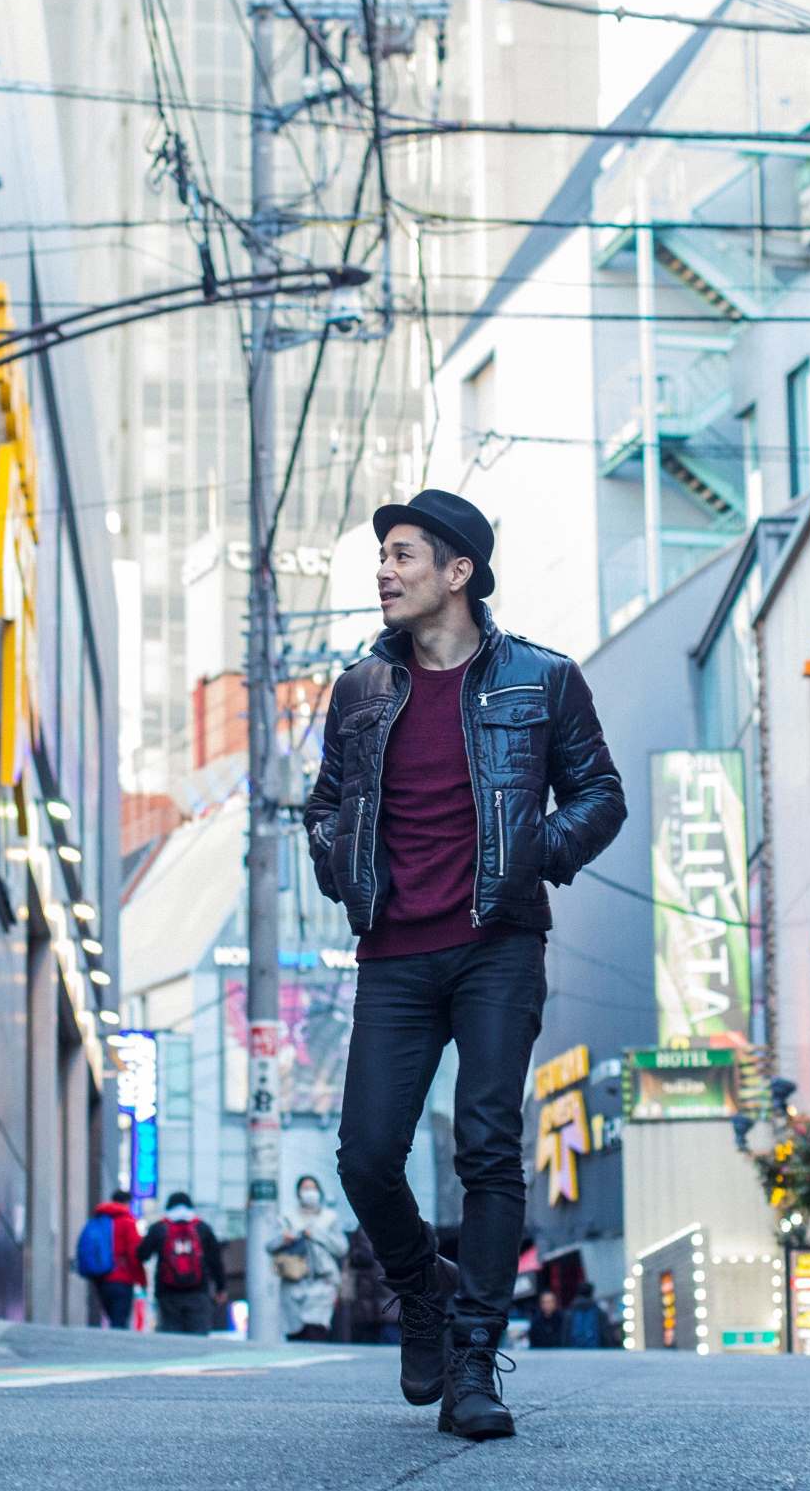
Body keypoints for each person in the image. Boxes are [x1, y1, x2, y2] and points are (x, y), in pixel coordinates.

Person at [304, 489, 626, 1442]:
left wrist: (539, 852)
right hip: (393, 952)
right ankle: (423, 1290)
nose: (385, 571)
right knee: (366, 1156)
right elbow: (325, 804)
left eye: (403, 555)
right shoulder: (361, 688)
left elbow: (600, 793)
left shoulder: (543, 678)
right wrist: (336, 860)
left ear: (459, 573)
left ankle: (476, 1358)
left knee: (487, 1146)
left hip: (498, 945)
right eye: (383, 557)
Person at [138, 1191, 227, 1334]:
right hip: (198, 1292)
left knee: (171, 1336)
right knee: (197, 1335)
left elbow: (142, 1254)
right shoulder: (202, 1228)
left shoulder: (159, 1228)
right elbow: (215, 1261)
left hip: (167, 1293)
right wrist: (221, 1287)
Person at [273, 1175, 345, 1341]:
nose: (309, 1192)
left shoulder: (330, 1218)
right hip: (293, 1280)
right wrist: (284, 1239)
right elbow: (270, 1245)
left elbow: (341, 1248)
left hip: (322, 1281)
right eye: (305, 1188)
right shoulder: (287, 1218)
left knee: (316, 1330)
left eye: (313, 1188)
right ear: (298, 1193)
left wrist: (316, 1234)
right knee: (295, 1332)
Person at [81, 1191, 145, 1329]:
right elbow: (134, 1254)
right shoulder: (127, 1222)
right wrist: (142, 1280)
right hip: (122, 1278)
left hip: (101, 1278)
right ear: (127, 1203)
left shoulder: (99, 1219)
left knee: (112, 1317)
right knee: (119, 1321)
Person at [565, 1285, 612, 1350]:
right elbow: (605, 1334)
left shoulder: (570, 1312)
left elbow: (565, 1335)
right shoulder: (599, 1312)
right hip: (595, 1351)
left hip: (573, 1351)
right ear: (591, 1293)